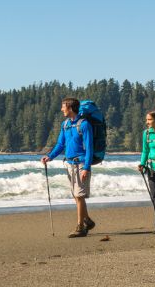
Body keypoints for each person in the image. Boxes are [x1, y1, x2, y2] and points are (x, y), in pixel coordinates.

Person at [41, 97, 95, 238]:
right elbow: (60, 144)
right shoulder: (65, 125)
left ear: (70, 108)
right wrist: (50, 157)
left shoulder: (84, 125)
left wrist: (86, 168)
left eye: (63, 106)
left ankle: (80, 227)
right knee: (76, 196)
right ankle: (87, 220)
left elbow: (89, 148)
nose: (61, 109)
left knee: (79, 195)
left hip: (81, 164)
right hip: (69, 164)